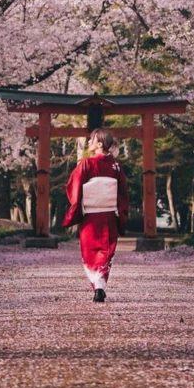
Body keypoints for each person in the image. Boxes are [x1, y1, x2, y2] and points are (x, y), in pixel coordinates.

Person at [62, 127, 129, 303]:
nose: (89, 143)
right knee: (106, 251)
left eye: (92, 140)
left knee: (89, 251)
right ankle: (100, 285)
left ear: (99, 144)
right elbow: (123, 193)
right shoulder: (116, 166)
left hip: (90, 216)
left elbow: (73, 186)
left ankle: (97, 284)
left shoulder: (86, 164)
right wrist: (121, 213)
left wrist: (76, 206)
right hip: (109, 216)